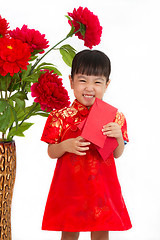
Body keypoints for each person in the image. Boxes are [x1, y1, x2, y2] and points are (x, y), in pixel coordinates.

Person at [41, 50, 132, 240]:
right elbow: (51, 152)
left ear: (107, 84)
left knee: (100, 231)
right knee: (69, 231)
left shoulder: (114, 117)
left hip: (102, 187)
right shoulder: (60, 116)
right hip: (70, 187)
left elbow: (117, 154)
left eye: (97, 82)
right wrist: (65, 145)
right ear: (71, 81)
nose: (89, 87)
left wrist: (117, 137)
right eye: (82, 80)